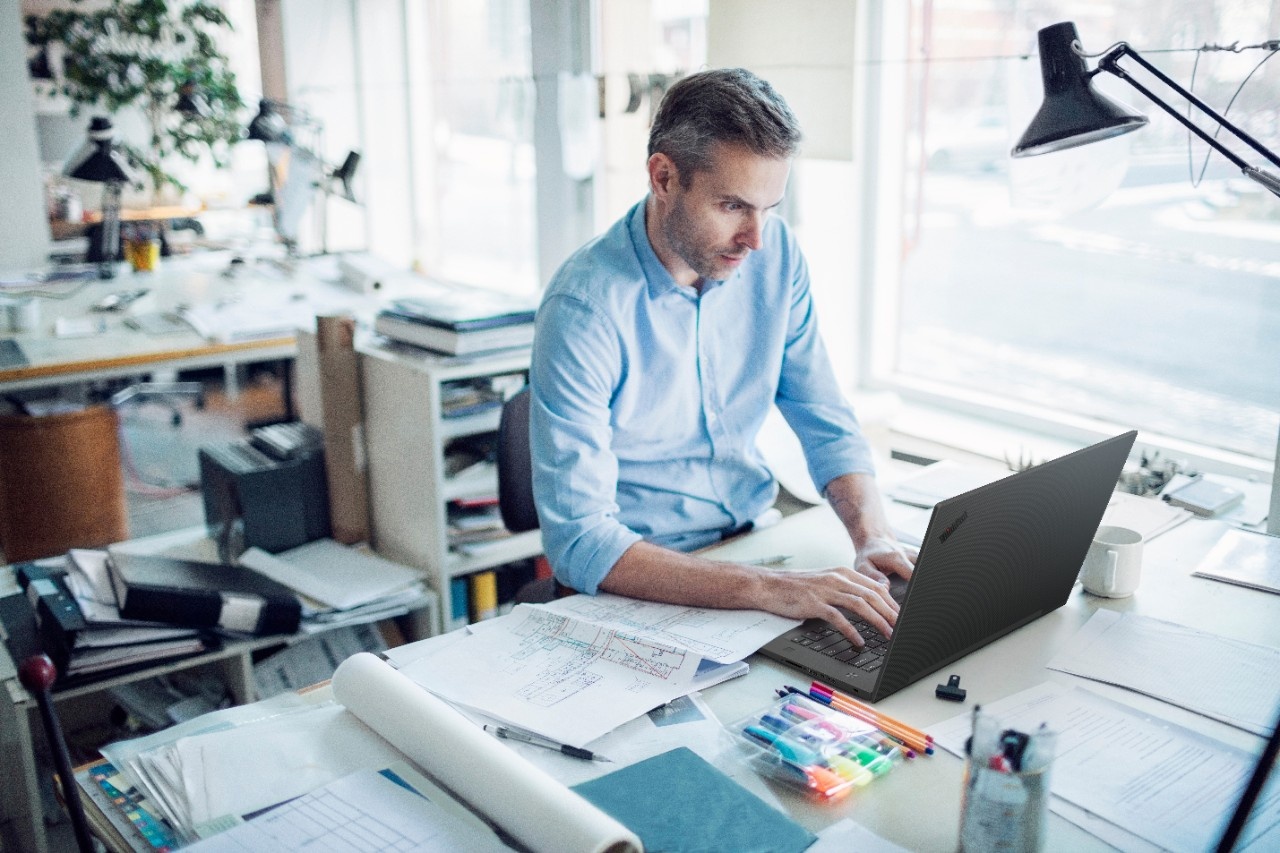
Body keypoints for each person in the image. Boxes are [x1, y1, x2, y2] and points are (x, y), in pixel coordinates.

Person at [529, 67, 915, 648]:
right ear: (664, 176)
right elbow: (581, 543)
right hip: (639, 584)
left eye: (769, 208)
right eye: (733, 205)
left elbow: (824, 419)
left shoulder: (775, 254)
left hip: (751, 546)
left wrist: (872, 536)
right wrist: (769, 589)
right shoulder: (584, 308)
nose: (755, 238)